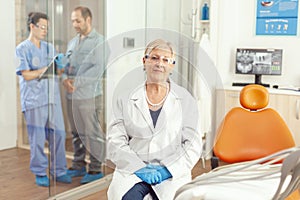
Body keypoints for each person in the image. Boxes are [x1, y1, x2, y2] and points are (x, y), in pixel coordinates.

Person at [107, 39, 202, 200]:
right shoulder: (125, 98)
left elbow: (192, 145)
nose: (160, 63)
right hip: (134, 171)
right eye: (154, 58)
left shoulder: (185, 100)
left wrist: (167, 170)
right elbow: (115, 141)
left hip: (171, 174)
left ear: (172, 66)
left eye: (166, 60)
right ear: (144, 61)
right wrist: (138, 168)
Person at [15, 12, 71, 187]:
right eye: (43, 27)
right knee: (37, 139)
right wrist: (44, 69)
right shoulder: (21, 49)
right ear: (32, 26)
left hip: (51, 98)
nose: (46, 30)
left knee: (59, 135)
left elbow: (57, 72)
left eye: (47, 27)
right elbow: (26, 75)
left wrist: (61, 67)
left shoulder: (49, 48)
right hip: (33, 100)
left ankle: (59, 170)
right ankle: (40, 172)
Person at [61, 6, 107, 184]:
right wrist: (65, 79)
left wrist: (76, 83)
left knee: (92, 133)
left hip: (90, 96)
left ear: (88, 20)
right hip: (72, 96)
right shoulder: (72, 42)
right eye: (72, 20)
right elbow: (65, 64)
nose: (74, 24)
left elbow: (98, 69)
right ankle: (78, 164)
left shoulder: (100, 42)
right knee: (76, 132)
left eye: (77, 21)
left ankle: (95, 169)